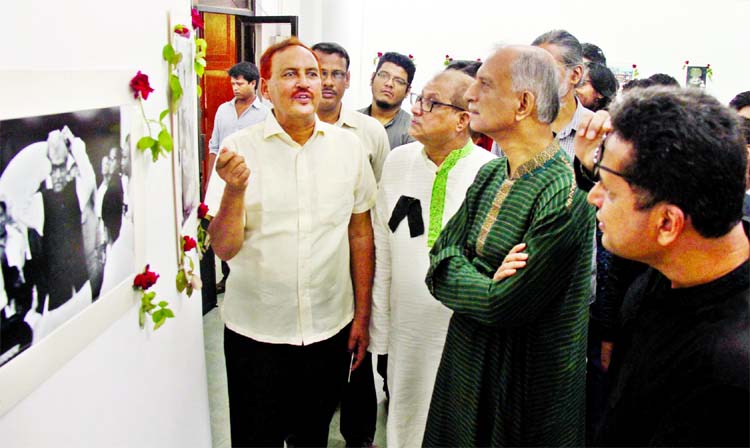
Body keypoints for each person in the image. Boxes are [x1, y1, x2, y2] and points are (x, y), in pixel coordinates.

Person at [204, 37, 377, 447]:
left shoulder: (349, 148)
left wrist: (362, 316)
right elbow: (224, 248)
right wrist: (234, 190)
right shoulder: (237, 151)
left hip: (327, 329)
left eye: (311, 74)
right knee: (254, 438)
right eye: (290, 74)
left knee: (312, 436)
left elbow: (360, 234)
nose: (304, 83)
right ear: (266, 88)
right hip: (255, 333)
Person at [422, 45, 595, 447]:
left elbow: (506, 305)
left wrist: (469, 274)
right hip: (467, 361)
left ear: (522, 103)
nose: (469, 95)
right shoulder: (492, 173)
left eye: (484, 84)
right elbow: (438, 262)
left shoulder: (565, 193)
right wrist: (486, 281)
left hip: (520, 382)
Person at [575, 86, 749, 446]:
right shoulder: (665, 272)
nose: (593, 197)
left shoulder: (729, 369)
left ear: (668, 223)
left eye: (609, 189)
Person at [369, 69, 495, 448]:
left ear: (463, 118)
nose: (417, 110)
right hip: (406, 328)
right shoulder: (398, 161)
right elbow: (384, 249)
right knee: (403, 417)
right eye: (418, 99)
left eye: (430, 102)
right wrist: (380, 328)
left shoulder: (488, 172)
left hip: (460, 332)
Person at [311, 41, 388, 448]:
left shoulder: (370, 132)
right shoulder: (289, 125)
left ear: (347, 80)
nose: (325, 81)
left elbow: (378, 203)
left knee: (358, 351)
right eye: (317, 71)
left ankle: (359, 436)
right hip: (312, 263)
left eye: (335, 73)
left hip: (357, 256)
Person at [206, 61, 269, 295]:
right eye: (233, 83)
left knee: (248, 225)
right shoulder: (223, 110)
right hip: (224, 178)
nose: (235, 87)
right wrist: (211, 178)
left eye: (239, 83)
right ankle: (227, 274)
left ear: (253, 84)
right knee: (224, 223)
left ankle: (248, 273)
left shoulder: (265, 114)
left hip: (252, 180)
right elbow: (214, 145)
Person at [532, 29, 592, 158]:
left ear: (575, 75)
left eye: (546, 69)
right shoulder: (512, 127)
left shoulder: (596, 133)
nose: (535, 77)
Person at [360, 51, 416, 150]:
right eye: (383, 75)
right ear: (372, 78)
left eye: (399, 81)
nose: (389, 83)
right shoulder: (350, 121)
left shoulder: (413, 130)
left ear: (407, 91)